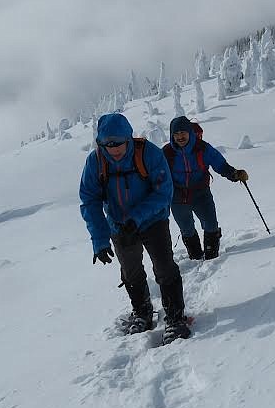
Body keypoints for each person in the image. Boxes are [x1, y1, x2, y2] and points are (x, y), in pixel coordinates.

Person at [79, 113, 191, 344]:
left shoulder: (149, 154)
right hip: (119, 225)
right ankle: (142, 312)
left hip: (153, 221)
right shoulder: (95, 162)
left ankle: (175, 317)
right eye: (108, 144)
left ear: (129, 138)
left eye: (119, 142)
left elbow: (164, 192)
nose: (115, 148)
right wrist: (99, 240)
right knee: (130, 271)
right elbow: (89, 201)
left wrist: (136, 218)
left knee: (164, 266)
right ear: (100, 143)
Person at [164, 115, 249, 260]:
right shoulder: (166, 153)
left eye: (183, 132)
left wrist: (234, 174)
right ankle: (196, 256)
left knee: (210, 224)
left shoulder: (202, 148)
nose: (180, 137)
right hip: (177, 196)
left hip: (200, 193)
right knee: (186, 228)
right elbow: (156, 173)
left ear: (189, 132)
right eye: (176, 134)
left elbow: (219, 164)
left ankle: (212, 256)